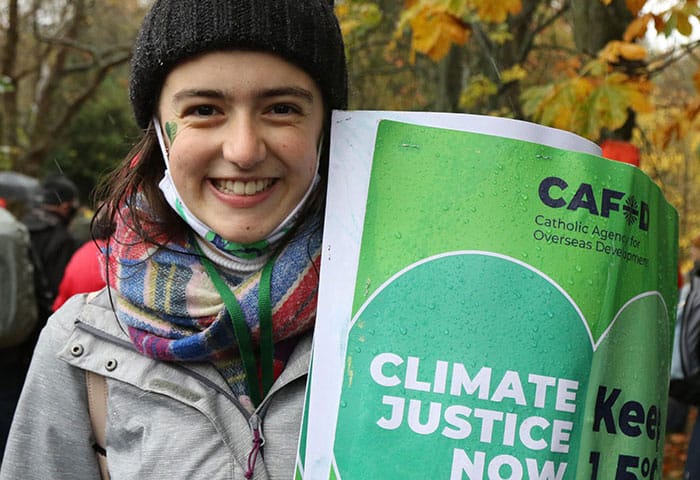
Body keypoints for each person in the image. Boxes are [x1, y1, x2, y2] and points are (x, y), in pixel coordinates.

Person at [0, 0, 347, 478]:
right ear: (159, 136)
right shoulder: (81, 343)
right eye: (204, 110)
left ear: (327, 128)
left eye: (281, 109)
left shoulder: (406, 319)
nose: (243, 150)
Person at [22, 174, 81, 322]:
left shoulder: (20, 226)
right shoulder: (62, 238)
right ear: (65, 206)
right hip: (39, 320)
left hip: (13, 314)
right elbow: (58, 287)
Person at [51, 211, 111, 311]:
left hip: (67, 314)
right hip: (90, 317)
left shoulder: (84, 249)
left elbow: (62, 297)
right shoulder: (115, 257)